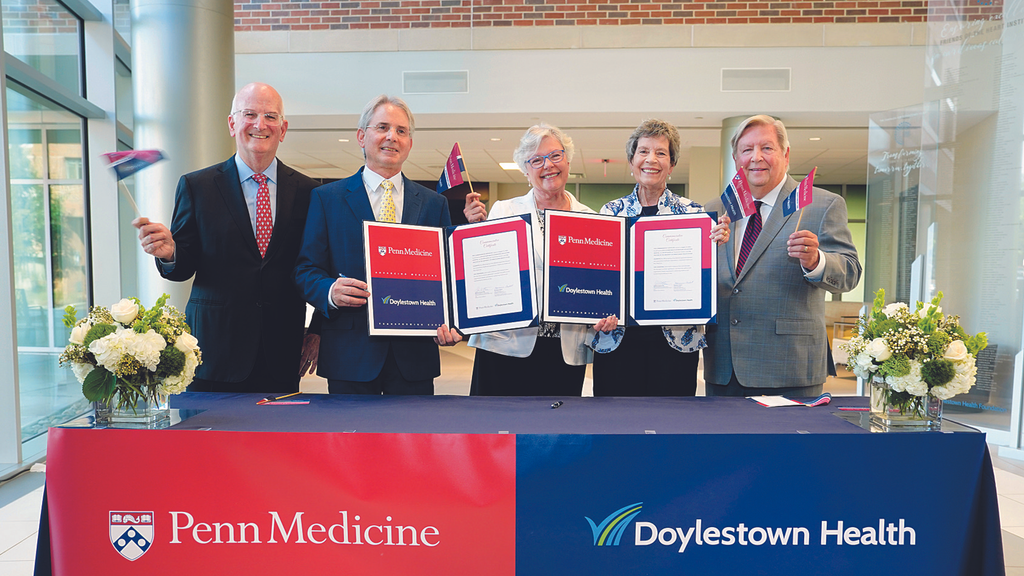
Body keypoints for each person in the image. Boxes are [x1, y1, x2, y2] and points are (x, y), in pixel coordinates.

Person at [132, 82, 321, 394]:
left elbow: (318, 267)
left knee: (277, 443)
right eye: (250, 114)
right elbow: (183, 267)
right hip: (213, 353)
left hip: (282, 353)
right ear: (232, 124)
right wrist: (170, 253)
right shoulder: (198, 186)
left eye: (271, 117)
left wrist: (317, 331)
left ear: (283, 129)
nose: (260, 124)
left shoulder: (310, 192)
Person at [293, 94, 461, 395]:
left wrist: (453, 319)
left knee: (412, 442)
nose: (391, 137)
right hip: (350, 357)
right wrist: (330, 291)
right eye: (382, 127)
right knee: (350, 441)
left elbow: (448, 276)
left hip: (414, 357)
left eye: (401, 131)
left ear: (409, 143)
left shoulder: (434, 205)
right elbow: (306, 270)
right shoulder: (327, 199)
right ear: (362, 136)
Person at [703, 115, 861, 397]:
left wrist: (816, 261)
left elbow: (849, 273)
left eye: (766, 148)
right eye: (747, 149)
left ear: (785, 154)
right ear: (736, 157)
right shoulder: (717, 208)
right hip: (724, 367)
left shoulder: (822, 204)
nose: (756, 158)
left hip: (790, 365)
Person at [464, 124, 617, 396]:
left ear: (568, 161)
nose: (548, 165)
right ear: (525, 169)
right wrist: (474, 231)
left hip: (565, 349)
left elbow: (600, 283)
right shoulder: (504, 210)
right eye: (536, 160)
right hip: (506, 346)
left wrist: (607, 310)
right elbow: (482, 273)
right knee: (497, 429)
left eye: (555, 156)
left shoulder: (593, 219)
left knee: (554, 433)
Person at [591, 119, 730, 396]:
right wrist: (597, 310)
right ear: (631, 161)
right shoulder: (610, 212)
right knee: (615, 426)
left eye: (661, 153)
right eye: (643, 151)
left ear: (672, 165)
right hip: (618, 339)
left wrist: (717, 243)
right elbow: (598, 274)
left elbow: (703, 275)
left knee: (671, 424)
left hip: (675, 341)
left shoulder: (693, 214)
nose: (650, 160)